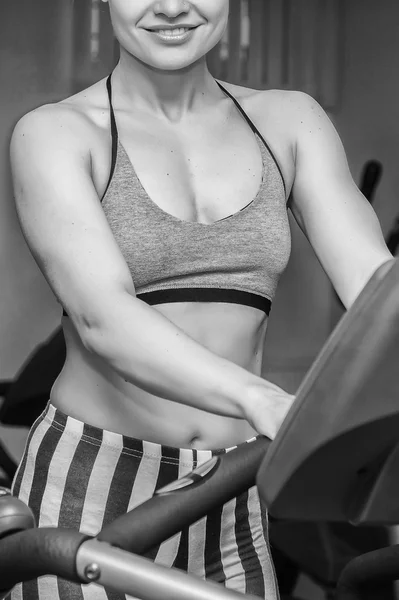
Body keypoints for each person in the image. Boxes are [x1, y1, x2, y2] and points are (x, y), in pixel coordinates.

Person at [8, 1, 393, 598]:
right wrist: (259, 398)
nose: (170, 6)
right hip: (93, 488)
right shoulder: (58, 132)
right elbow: (102, 318)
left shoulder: (289, 121)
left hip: (233, 489)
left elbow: (378, 293)